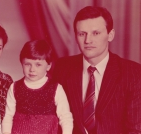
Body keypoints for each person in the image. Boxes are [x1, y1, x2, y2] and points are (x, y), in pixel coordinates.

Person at [52, 6, 141, 134]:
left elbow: (135, 130)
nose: (88, 40)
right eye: (82, 34)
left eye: (96, 33)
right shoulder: (62, 67)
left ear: (110, 35)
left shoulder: (133, 73)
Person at [2, 39, 73, 134]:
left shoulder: (56, 89)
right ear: (21, 64)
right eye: (27, 64)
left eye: (38, 65)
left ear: (48, 66)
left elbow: (65, 117)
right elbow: (8, 116)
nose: (32, 69)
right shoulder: (15, 87)